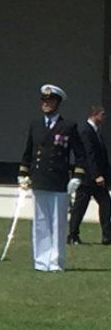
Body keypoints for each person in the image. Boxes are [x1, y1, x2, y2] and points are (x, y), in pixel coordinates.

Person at [18, 85, 86, 272]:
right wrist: (23, 173)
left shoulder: (68, 126)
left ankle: (55, 261)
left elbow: (80, 154)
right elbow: (29, 151)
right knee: (40, 223)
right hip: (39, 178)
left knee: (57, 223)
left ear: (57, 103)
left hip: (58, 180)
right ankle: (41, 261)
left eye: (50, 101)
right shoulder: (35, 124)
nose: (46, 104)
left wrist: (77, 176)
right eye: (44, 101)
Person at [68, 105, 111, 245]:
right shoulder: (86, 131)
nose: (104, 117)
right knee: (80, 207)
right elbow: (89, 155)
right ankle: (72, 235)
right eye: (102, 114)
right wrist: (96, 175)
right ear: (95, 115)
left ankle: (107, 235)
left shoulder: (96, 131)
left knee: (106, 204)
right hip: (89, 178)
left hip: (96, 178)